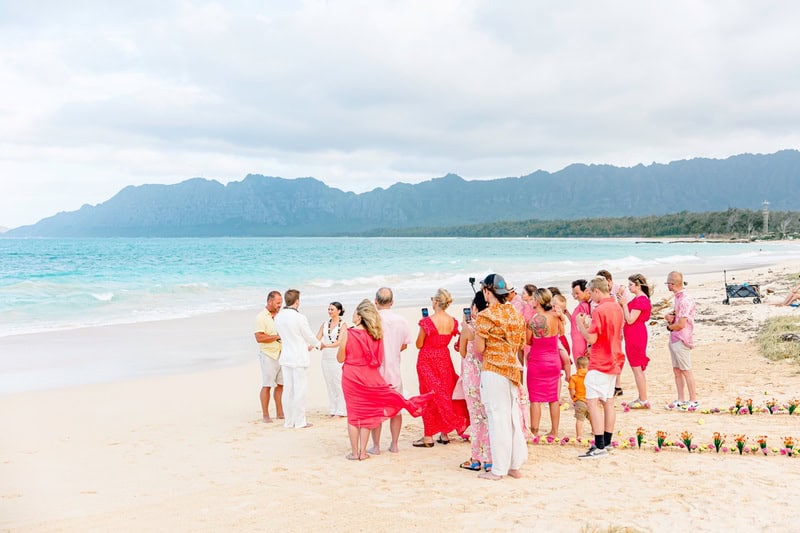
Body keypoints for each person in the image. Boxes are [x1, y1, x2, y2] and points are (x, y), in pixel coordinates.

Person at [337, 299, 432, 460]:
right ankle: (364, 452)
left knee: (353, 415)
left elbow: (340, 358)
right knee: (367, 414)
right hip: (369, 375)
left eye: (354, 312)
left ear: (360, 317)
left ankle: (355, 453)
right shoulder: (376, 336)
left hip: (351, 376)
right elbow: (379, 359)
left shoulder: (348, 333)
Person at [474, 273, 528, 480]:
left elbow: (479, 348)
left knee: (497, 417)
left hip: (494, 370)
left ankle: (498, 469)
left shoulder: (486, 316)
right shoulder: (516, 315)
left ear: (488, 291)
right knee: (513, 417)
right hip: (512, 369)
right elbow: (521, 344)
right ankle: (514, 464)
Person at [575, 276, 625, 459]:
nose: (590, 297)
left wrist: (580, 325)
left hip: (600, 360)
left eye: (591, 292)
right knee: (608, 401)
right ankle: (607, 441)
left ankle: (599, 445)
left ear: (597, 291)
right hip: (614, 357)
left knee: (593, 402)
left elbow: (592, 339)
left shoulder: (600, 309)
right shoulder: (617, 307)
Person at [413, 288, 469, 447]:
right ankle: (444, 434)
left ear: (436, 302)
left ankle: (428, 436)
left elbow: (419, 344)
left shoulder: (427, 322)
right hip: (444, 359)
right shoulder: (453, 321)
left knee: (429, 395)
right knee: (445, 392)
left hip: (427, 360)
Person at [369, 287, 414, 454]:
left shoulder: (372, 320)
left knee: (376, 410)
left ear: (375, 301)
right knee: (396, 409)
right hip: (394, 370)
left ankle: (376, 445)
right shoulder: (401, 320)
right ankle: (394, 444)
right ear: (392, 302)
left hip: (376, 372)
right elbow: (404, 344)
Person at [274, 289, 322, 429]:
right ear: (297, 301)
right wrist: (319, 344)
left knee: (288, 390)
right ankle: (300, 421)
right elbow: (308, 336)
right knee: (299, 390)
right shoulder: (299, 318)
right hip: (299, 357)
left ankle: (289, 421)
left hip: (286, 357)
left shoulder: (279, 317)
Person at [526, 288, 571, 437]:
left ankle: (534, 430)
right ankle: (555, 431)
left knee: (535, 399)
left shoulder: (533, 321)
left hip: (537, 362)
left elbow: (528, 341)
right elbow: (562, 333)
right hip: (553, 361)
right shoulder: (556, 317)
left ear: (537, 302)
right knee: (553, 398)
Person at [457, 290, 491, 472]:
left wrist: (464, 325)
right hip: (487, 373)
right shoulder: (489, 325)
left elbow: (463, 352)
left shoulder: (469, 328)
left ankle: (476, 457)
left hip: (471, 375)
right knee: (488, 416)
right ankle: (490, 457)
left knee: (476, 417)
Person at [665, 271, 698, 410]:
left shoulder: (685, 299)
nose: (667, 286)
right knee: (677, 370)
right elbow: (678, 317)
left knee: (686, 370)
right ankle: (681, 398)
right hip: (674, 338)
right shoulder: (677, 298)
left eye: (668, 283)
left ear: (672, 284)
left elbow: (682, 324)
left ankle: (693, 400)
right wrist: (671, 317)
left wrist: (670, 327)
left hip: (682, 337)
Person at [619, 274, 652, 409]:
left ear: (638, 285)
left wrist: (624, 305)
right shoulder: (639, 298)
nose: (629, 287)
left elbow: (630, 319)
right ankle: (642, 397)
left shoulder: (641, 300)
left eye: (631, 285)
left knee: (636, 367)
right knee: (637, 368)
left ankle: (643, 398)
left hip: (636, 335)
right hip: (634, 334)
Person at [597, 269, 629, 397]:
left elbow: (624, 308)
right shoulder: (604, 292)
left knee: (616, 356)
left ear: (609, 281)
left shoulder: (621, 291)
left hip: (618, 328)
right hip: (606, 329)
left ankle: (617, 385)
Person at [254, 290, 284, 423]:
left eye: (281, 302)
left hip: (282, 354)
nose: (280, 305)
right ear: (270, 301)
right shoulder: (261, 317)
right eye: (278, 303)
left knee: (281, 385)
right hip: (268, 355)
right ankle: (265, 415)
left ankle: (280, 412)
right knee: (267, 385)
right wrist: (276, 337)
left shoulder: (282, 316)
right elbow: (259, 337)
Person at [316, 302, 347, 418]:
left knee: (338, 383)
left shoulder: (343, 325)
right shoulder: (324, 324)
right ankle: (333, 409)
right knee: (329, 383)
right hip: (325, 358)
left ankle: (341, 410)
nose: (329, 311)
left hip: (336, 357)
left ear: (338, 311)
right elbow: (317, 338)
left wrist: (325, 346)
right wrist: (310, 346)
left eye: (332, 309)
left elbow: (339, 342)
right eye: (328, 309)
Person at [568, 279, 592, 359]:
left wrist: (589, 346)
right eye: (573, 293)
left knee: (581, 368)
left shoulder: (584, 306)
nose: (575, 296)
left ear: (585, 291)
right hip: (577, 340)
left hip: (581, 342)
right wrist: (566, 312)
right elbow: (574, 322)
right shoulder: (581, 305)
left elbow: (587, 325)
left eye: (577, 293)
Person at [568, 356, 589, 440]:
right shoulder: (590, 376)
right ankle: (595, 431)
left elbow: (572, 390)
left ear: (578, 366)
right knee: (593, 418)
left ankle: (579, 435)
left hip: (580, 401)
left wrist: (573, 398)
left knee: (580, 419)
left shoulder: (574, 377)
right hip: (590, 400)